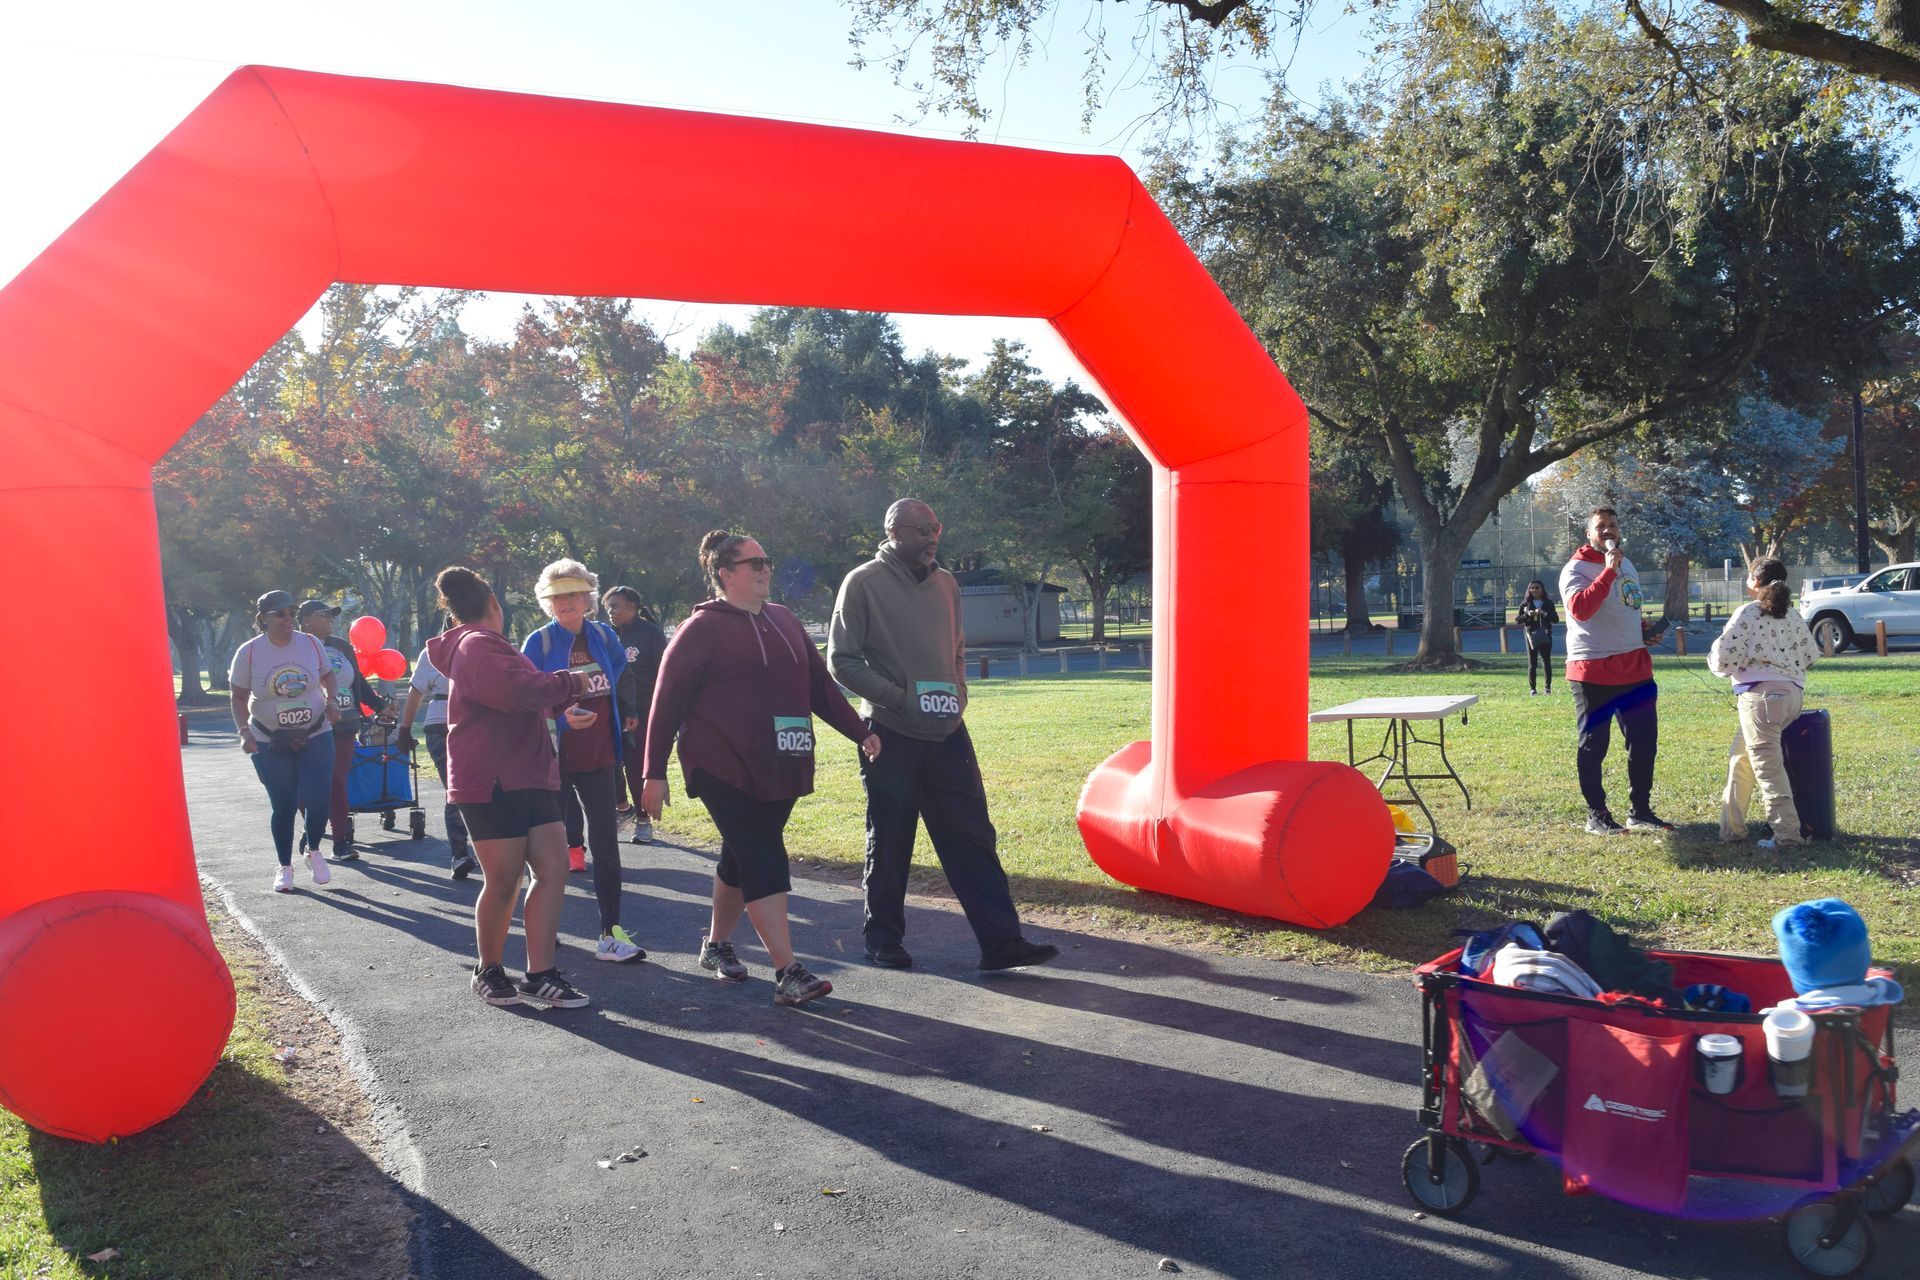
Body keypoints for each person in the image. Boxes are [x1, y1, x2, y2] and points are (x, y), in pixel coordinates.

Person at [641, 532, 879, 1006]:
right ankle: (788, 972)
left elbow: (820, 688)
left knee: (742, 853)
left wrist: (860, 731)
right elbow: (665, 704)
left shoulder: (785, 620)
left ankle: (716, 945)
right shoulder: (699, 630)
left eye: (766, 560)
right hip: (720, 763)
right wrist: (653, 771)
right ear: (725, 574)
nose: (765, 569)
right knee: (764, 854)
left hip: (782, 758)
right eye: (753, 563)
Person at [827, 499, 1059, 971]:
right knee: (891, 840)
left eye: (936, 528)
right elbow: (841, 660)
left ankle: (1001, 943)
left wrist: (959, 692)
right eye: (922, 530)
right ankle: (883, 941)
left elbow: (956, 649)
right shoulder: (863, 582)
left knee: (974, 839)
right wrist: (900, 698)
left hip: (949, 731)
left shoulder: (947, 583)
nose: (933, 537)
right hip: (891, 732)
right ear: (893, 531)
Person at [426, 566, 598, 1009]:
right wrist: (572, 682)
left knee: (553, 870)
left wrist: (563, 707)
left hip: (529, 774)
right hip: (491, 781)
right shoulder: (476, 643)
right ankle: (489, 970)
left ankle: (540, 973)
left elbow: (525, 697)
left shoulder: (490, 646)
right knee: (503, 880)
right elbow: (517, 690)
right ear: (494, 606)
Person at [522, 559, 645, 965]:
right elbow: (524, 700)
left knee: (606, 845)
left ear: (588, 598)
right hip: (551, 760)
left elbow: (620, 674)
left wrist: (625, 711)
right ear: (547, 602)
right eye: (557, 596)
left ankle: (611, 934)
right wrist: (559, 717)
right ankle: (545, 929)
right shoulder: (537, 643)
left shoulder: (604, 636)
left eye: (574, 594)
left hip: (599, 755)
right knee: (548, 851)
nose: (566, 602)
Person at [1558, 507, 1673, 836]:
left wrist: (1644, 630)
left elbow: (1626, 606)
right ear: (1589, 534)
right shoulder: (1575, 569)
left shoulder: (1628, 563)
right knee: (1594, 744)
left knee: (1644, 743)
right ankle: (1597, 815)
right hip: (1593, 669)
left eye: (1612, 525)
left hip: (1634, 667)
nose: (1607, 531)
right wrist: (1607, 571)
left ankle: (1641, 811)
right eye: (1600, 527)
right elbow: (1580, 610)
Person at [230, 590, 340, 893]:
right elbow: (238, 697)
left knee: (318, 798)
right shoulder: (249, 652)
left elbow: (328, 676)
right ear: (263, 619)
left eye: (291, 612)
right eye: (280, 613)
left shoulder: (311, 644)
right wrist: (245, 733)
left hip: (315, 731)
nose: (287, 618)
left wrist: (332, 702)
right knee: (285, 802)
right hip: (268, 737)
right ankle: (284, 866)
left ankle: (313, 850)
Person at [1708, 557, 1820, 848]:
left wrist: (1726, 667)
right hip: (1791, 696)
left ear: (1754, 582)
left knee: (1768, 770)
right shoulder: (1792, 615)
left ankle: (1787, 837)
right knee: (1741, 759)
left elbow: (1722, 659)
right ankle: (1731, 830)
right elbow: (1812, 655)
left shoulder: (1748, 612)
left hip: (1760, 701)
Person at [297, 598, 387, 862]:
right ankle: (311, 829)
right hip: (308, 726)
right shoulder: (294, 649)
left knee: (336, 781)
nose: (329, 619)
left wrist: (379, 705)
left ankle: (341, 842)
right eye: (323, 615)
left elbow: (358, 681)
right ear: (305, 621)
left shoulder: (342, 647)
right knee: (306, 785)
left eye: (331, 615)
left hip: (344, 723)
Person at [397, 622, 477, 880]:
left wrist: (405, 729)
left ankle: (464, 852)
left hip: (454, 723)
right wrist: (403, 729)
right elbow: (415, 692)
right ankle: (461, 851)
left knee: (458, 789)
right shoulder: (475, 644)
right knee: (459, 788)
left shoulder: (435, 649)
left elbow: (415, 692)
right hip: (454, 724)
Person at [603, 585, 667, 845]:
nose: (610, 611)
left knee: (634, 766)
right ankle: (622, 807)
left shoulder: (649, 634)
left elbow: (665, 674)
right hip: (610, 712)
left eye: (615, 606)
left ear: (633, 607)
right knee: (608, 764)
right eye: (607, 606)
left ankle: (643, 820)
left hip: (640, 714)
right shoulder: (606, 635)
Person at [1516, 580, 1559, 696]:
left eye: (1537, 588)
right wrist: (1528, 615)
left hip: (1545, 634)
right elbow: (1518, 620)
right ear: (1529, 590)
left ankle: (1547, 688)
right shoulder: (1525, 604)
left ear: (1542, 589)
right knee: (1532, 662)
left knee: (1546, 661)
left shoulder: (1548, 603)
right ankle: (1533, 689)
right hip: (1531, 635)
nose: (1534, 590)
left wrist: (1545, 614)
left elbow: (1556, 619)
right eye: (1532, 588)